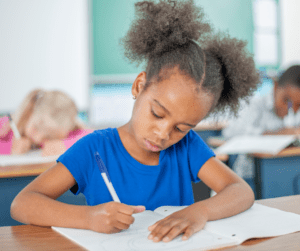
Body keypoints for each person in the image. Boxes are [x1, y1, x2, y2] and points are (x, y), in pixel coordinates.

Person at [11, 0, 260, 243]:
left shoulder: (187, 147)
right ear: (139, 86)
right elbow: (22, 204)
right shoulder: (94, 148)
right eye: (158, 114)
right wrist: (87, 217)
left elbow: (240, 191)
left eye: (181, 128)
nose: (163, 134)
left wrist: (199, 212)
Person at [222, 65, 300, 180]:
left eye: (298, 105)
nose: (292, 109)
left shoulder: (295, 113)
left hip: (285, 176)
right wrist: (276, 135)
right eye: (287, 101)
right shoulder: (254, 104)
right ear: (275, 87)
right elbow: (230, 133)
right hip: (250, 177)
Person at [0, 89, 92, 156]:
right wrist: (9, 148)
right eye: (36, 128)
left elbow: (93, 138)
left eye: (49, 137)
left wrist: (65, 146)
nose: (38, 138)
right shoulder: (6, 127)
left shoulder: (65, 128)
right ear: (29, 113)